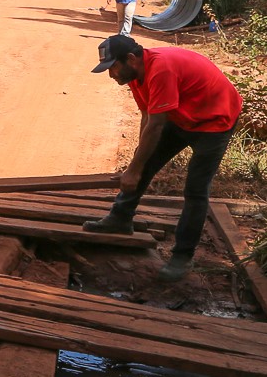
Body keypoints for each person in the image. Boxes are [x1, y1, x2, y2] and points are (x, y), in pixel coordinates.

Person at [83, 34, 242, 281]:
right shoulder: (135, 75)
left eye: (113, 67)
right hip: (182, 115)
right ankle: (120, 218)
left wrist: (134, 170)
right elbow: (147, 118)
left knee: (196, 189)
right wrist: (137, 162)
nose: (111, 74)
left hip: (215, 120)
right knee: (143, 160)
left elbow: (156, 125)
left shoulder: (161, 70)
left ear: (131, 58)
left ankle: (182, 256)